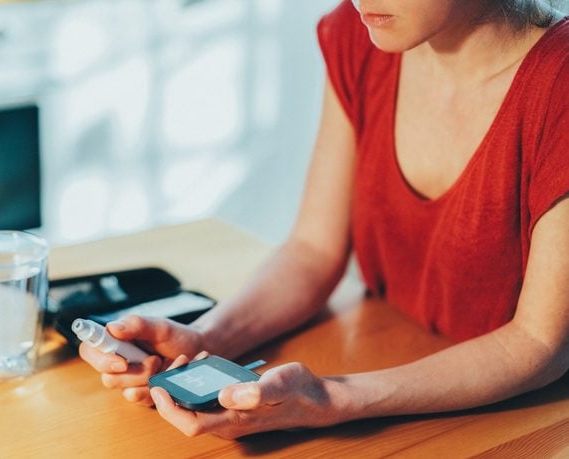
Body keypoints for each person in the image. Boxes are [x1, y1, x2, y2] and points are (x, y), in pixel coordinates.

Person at [80, 0, 569, 439]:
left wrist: (333, 398)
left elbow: (536, 343)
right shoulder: (364, 34)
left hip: (529, 423)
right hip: (406, 365)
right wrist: (208, 338)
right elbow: (314, 250)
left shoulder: (558, 84)